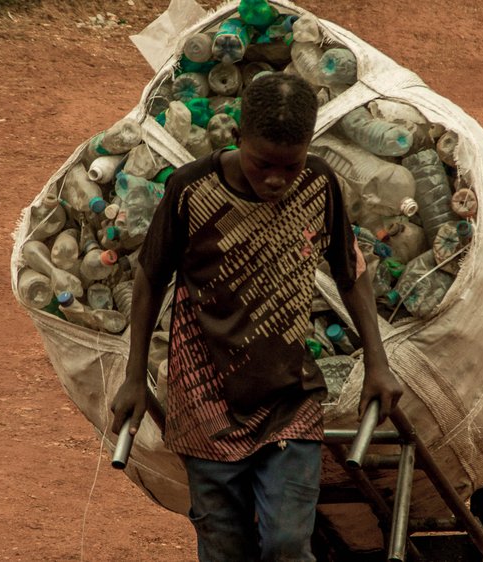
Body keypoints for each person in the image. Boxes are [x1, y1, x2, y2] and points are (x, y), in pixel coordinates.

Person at [110, 73, 402, 562]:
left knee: (288, 543)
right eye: (262, 163)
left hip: (289, 395)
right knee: (224, 547)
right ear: (236, 138)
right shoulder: (191, 190)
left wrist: (378, 361)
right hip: (204, 396)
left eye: (290, 166)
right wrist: (134, 377)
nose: (276, 179)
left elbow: (351, 274)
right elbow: (148, 281)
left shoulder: (320, 185)